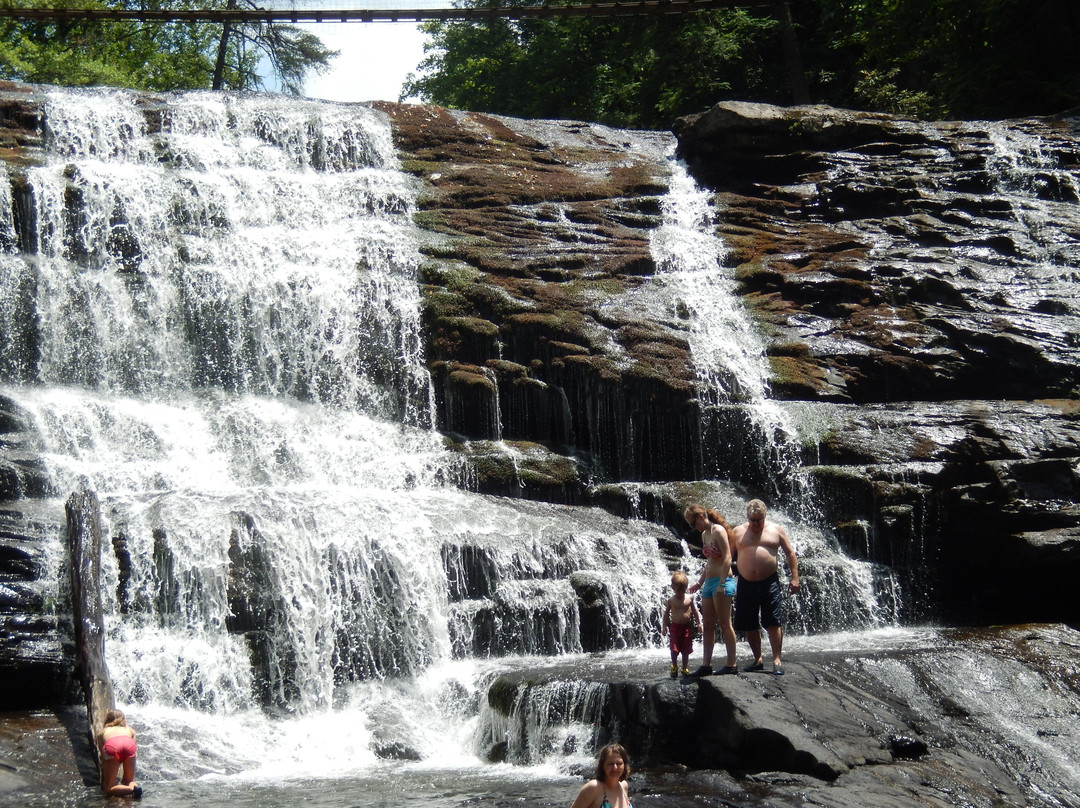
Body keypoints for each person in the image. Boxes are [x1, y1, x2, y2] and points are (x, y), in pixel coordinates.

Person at [732, 499, 799, 675]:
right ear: (747, 517)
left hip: (769, 582)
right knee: (749, 623)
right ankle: (758, 660)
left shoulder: (776, 530)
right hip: (745, 583)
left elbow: (790, 553)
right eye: (752, 520)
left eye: (759, 519)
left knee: (773, 621)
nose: (755, 523)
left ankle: (777, 660)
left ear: (765, 516)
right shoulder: (737, 532)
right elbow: (726, 557)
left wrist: (795, 578)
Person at [683, 505, 738, 677]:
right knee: (707, 625)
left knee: (724, 623)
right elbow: (709, 563)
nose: (693, 528)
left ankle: (731, 663)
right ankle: (706, 664)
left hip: (723, 581)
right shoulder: (704, 535)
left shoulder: (718, 531)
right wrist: (699, 583)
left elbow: (728, 557)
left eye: (693, 523)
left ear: (701, 517)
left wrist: (722, 584)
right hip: (709, 583)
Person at [661, 570, 702, 677]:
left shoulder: (689, 599)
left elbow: (695, 611)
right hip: (675, 627)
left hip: (687, 627)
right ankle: (674, 666)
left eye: (682, 590)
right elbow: (666, 614)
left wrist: (699, 623)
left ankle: (684, 668)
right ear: (673, 587)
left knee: (685, 649)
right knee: (674, 649)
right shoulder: (671, 600)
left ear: (686, 587)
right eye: (678, 590)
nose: (680, 593)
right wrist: (664, 626)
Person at [569, 742, 633, 808]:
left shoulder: (623, 786)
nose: (615, 768)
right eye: (610, 764)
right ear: (603, 766)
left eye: (619, 763)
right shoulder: (594, 788)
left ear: (624, 765)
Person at [96, 708, 142, 798]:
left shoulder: (101, 733)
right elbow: (134, 753)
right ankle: (136, 788)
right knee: (129, 780)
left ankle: (132, 790)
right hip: (129, 745)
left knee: (108, 788)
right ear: (123, 719)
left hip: (113, 746)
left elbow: (104, 756)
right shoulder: (131, 731)